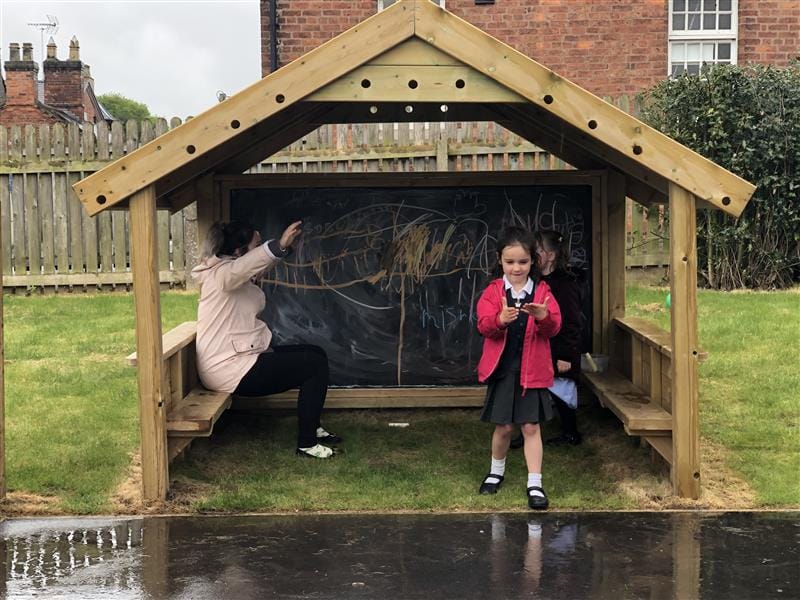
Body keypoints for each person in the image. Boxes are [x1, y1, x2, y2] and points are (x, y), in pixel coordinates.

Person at [192, 220, 340, 459]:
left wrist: (282, 249)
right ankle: (307, 443)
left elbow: (256, 267)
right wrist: (277, 245)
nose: (261, 248)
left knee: (316, 354)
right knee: (313, 366)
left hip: (237, 360)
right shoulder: (224, 275)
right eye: (257, 244)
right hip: (230, 370)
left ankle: (312, 427)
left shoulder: (230, 272)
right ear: (239, 252)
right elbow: (249, 265)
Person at [475, 226, 562, 510]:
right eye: (510, 262)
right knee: (503, 427)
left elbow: (555, 327)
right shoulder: (492, 291)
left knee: (531, 426)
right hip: (503, 369)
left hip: (532, 370)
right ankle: (495, 473)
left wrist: (544, 316)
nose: (516, 268)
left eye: (523, 262)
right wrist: (500, 320)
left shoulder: (543, 291)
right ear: (500, 260)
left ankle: (535, 483)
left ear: (533, 262)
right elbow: (483, 326)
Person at [510, 229, 583, 448]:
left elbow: (572, 323)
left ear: (550, 256)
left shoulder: (565, 284)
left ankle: (571, 433)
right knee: (531, 389)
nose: (532, 255)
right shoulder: (537, 281)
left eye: (537, 251)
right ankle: (527, 433)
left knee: (562, 392)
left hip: (560, 351)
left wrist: (565, 356)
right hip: (540, 348)